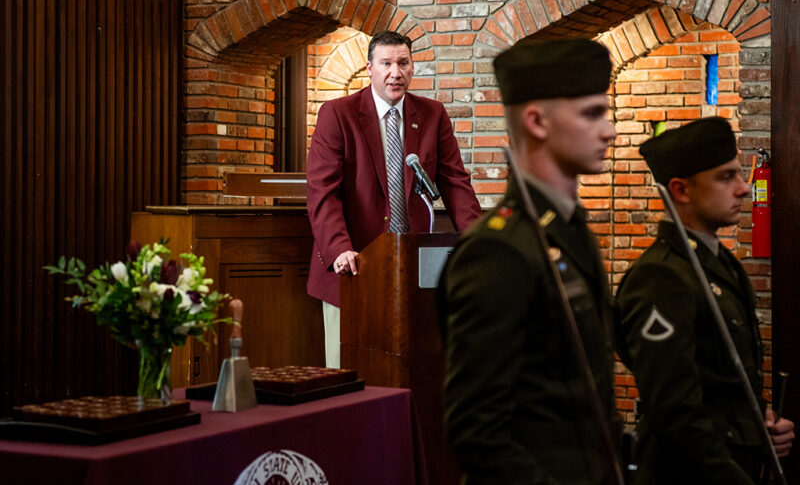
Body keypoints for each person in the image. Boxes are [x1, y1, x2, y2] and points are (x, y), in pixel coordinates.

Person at [438, 38, 621, 484]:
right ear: (537, 121)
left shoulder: (566, 230)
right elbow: (478, 432)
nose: (610, 129)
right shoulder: (498, 249)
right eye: (592, 114)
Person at [617, 117, 795, 484]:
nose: (744, 189)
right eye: (726, 177)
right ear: (681, 191)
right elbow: (674, 413)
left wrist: (759, 421)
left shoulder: (719, 262)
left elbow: (719, 382)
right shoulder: (661, 276)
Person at [306, 30, 481, 368]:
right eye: (385, 63)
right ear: (369, 68)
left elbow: (457, 184)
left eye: (403, 63)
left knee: (414, 373)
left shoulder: (432, 115)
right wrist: (339, 247)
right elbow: (323, 192)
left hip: (414, 271)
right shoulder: (337, 114)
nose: (395, 72)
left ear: (413, 67)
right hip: (353, 267)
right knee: (349, 376)